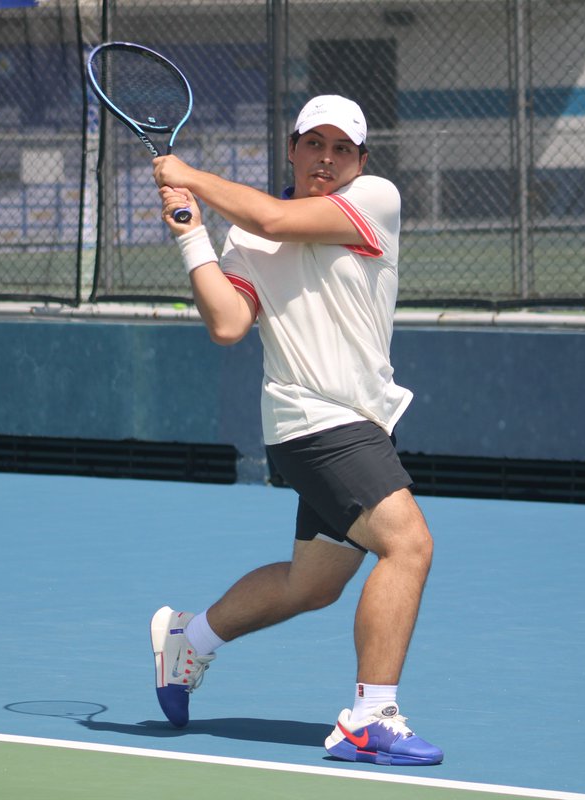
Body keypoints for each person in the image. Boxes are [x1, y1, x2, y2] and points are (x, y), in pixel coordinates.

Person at [149, 95, 442, 767]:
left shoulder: (374, 200)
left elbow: (276, 217)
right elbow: (229, 323)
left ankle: (190, 639)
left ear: (361, 160)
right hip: (313, 424)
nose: (327, 159)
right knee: (409, 545)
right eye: (315, 144)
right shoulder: (246, 239)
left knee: (312, 585)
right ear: (292, 148)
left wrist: (191, 177)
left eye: (342, 148)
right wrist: (191, 237)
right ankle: (370, 719)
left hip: (359, 420)